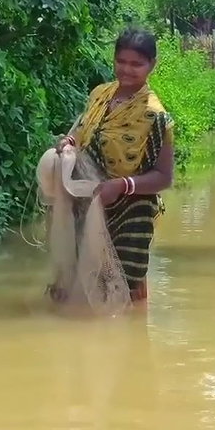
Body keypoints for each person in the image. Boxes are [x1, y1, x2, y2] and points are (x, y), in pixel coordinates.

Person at [53, 27, 175, 303]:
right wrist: (70, 143)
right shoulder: (100, 94)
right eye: (121, 61)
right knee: (80, 281)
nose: (127, 70)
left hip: (131, 208)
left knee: (122, 289)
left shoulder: (155, 116)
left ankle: (133, 339)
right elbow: (83, 131)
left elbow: (164, 177)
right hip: (87, 197)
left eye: (136, 64)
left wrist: (122, 185)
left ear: (151, 66)